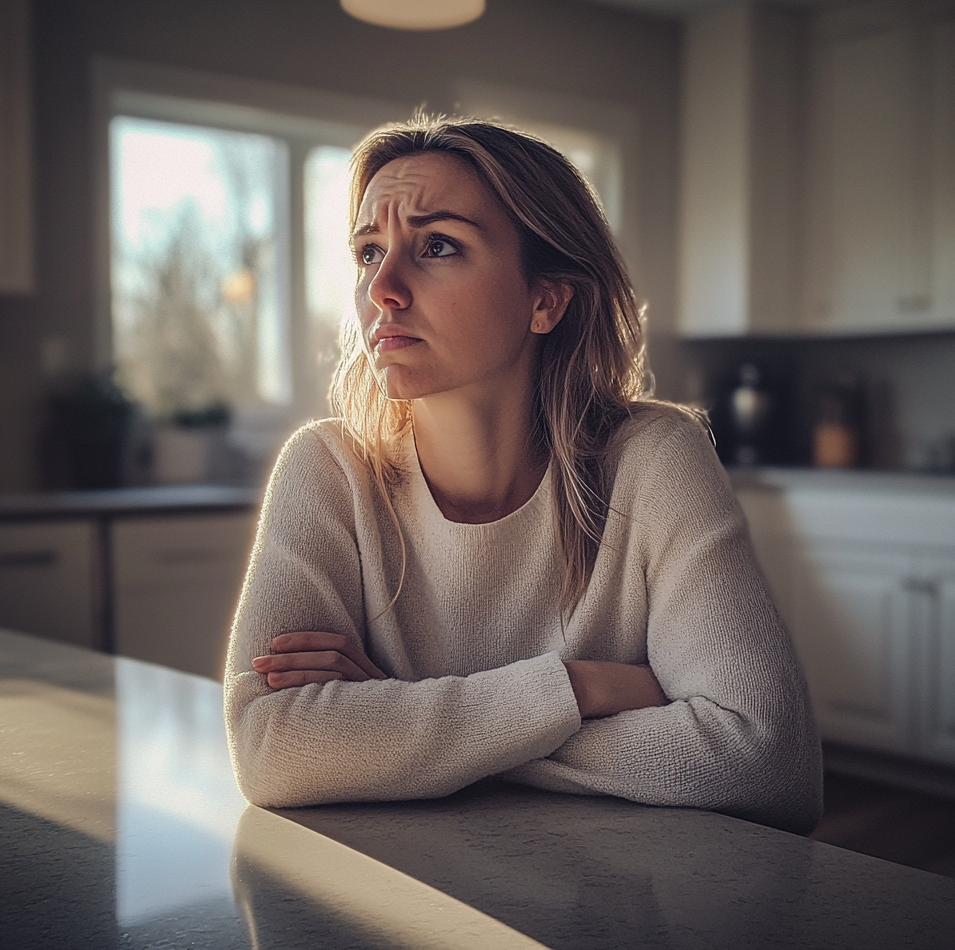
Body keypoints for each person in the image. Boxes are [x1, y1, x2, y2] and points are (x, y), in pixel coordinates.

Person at [223, 116, 822, 835]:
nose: (382, 289)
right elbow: (270, 749)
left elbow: (767, 763)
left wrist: (401, 721)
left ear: (546, 299)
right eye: (367, 252)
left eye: (438, 246)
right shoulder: (326, 471)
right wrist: (583, 686)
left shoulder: (657, 457)